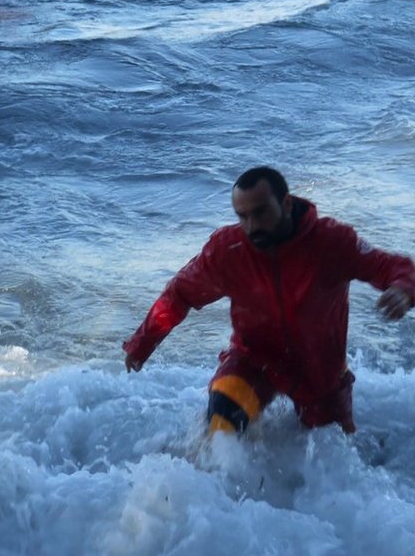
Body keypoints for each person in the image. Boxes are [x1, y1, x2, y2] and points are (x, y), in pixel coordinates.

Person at [122, 166, 415, 435]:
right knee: (222, 424)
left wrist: (403, 290)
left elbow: (391, 266)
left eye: (261, 213)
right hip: (254, 361)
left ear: (286, 204)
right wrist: (142, 343)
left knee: (334, 451)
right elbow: (179, 293)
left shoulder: (331, 241)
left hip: (320, 370)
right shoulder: (228, 250)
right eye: (242, 216)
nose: (252, 226)